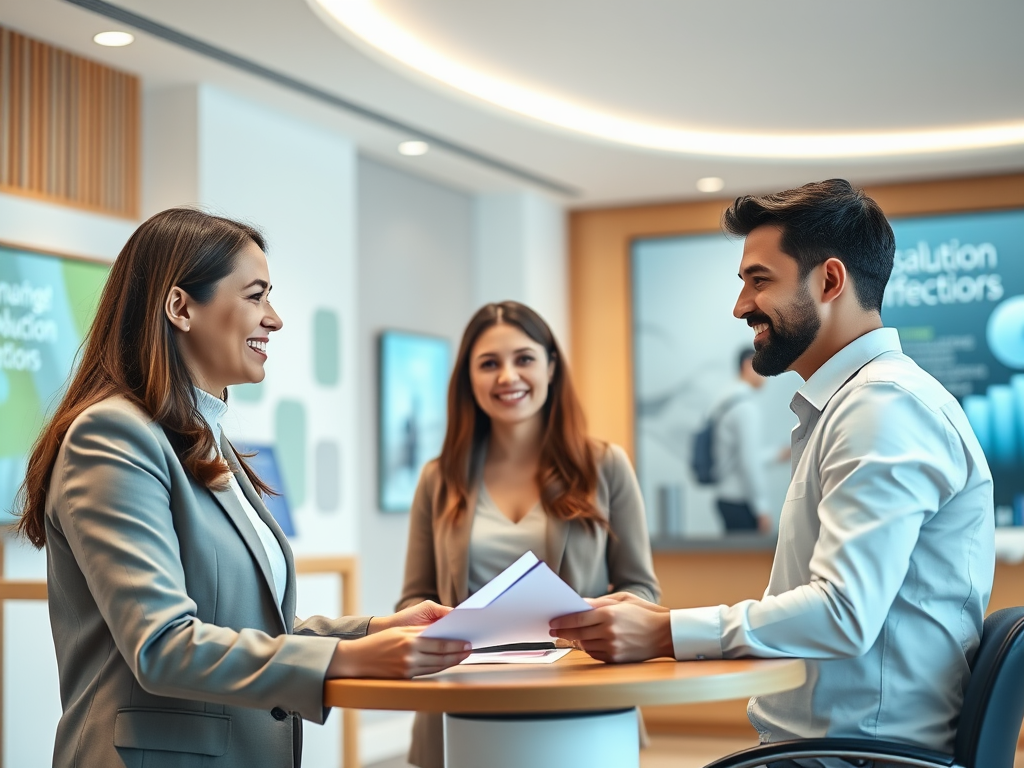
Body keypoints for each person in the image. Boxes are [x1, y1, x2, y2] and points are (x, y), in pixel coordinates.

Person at [551, 180, 995, 764]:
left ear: (830, 281)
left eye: (759, 281)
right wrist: (660, 621)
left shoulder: (882, 406)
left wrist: (664, 634)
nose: (740, 306)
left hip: (850, 757)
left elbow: (842, 612)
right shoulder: (858, 403)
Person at [14, 209, 471, 768]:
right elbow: (163, 646)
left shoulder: (201, 436)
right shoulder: (112, 435)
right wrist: (350, 661)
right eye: (256, 296)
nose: (274, 320)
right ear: (180, 307)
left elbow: (241, 623)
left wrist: (373, 630)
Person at [398, 300, 660, 768]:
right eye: (489, 364)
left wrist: (589, 620)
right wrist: (437, 625)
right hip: (463, 704)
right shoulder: (438, 479)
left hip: (582, 699)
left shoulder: (605, 466)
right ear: (468, 379)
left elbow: (641, 588)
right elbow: (413, 599)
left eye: (523, 359)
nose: (507, 377)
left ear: (551, 366)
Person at [711, 347, 773, 533]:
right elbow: (749, 462)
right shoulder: (745, 407)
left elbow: (740, 456)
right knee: (749, 562)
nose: (769, 374)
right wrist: (762, 507)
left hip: (725, 497)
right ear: (748, 365)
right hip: (740, 501)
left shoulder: (725, 400)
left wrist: (777, 455)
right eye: (765, 365)